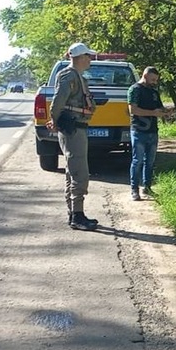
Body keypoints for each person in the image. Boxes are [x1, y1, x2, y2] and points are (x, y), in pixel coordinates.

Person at [49, 42, 98, 230]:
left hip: (78, 128)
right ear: (80, 57)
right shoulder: (69, 75)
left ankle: (74, 213)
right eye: (88, 56)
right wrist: (54, 120)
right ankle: (77, 216)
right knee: (79, 172)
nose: (90, 59)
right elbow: (58, 102)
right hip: (73, 129)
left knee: (73, 170)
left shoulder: (77, 76)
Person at [126, 66, 167, 201]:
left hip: (153, 131)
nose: (155, 82)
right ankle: (134, 189)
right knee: (137, 161)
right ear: (145, 75)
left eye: (156, 80)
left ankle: (147, 187)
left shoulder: (154, 91)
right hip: (139, 130)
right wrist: (153, 113)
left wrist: (164, 112)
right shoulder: (135, 89)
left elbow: (159, 107)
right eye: (153, 79)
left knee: (150, 162)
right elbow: (133, 110)